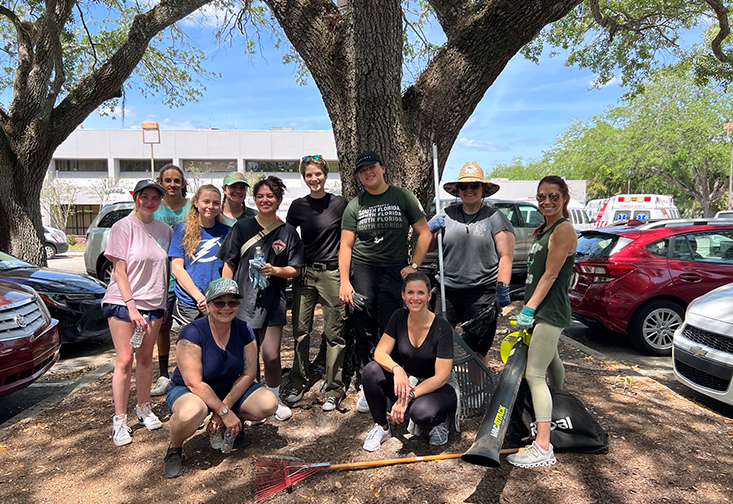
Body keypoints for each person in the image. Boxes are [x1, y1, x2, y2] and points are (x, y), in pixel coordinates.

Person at [338, 151, 432, 411]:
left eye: (372, 168)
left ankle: (394, 379)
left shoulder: (403, 197)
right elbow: (346, 246)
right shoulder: (355, 205)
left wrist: (413, 265)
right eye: (362, 170)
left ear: (383, 168)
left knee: (392, 329)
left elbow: (424, 233)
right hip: (364, 271)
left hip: (394, 271)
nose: (368, 173)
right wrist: (345, 281)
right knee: (362, 329)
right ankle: (366, 385)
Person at [162, 278, 278, 478]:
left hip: (229, 388)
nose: (226, 307)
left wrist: (224, 411)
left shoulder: (244, 329)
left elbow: (249, 373)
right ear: (208, 305)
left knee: (269, 403)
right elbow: (194, 383)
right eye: (219, 303)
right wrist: (224, 411)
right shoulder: (192, 333)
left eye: (232, 302)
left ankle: (234, 424)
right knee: (190, 412)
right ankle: (175, 448)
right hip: (191, 391)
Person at [218, 175, 304, 422]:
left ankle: (274, 398)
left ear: (278, 200)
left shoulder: (288, 232)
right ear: (254, 199)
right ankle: (254, 401)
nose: (265, 200)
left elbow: (295, 269)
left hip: (272, 301)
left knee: (271, 354)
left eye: (271, 196)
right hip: (244, 301)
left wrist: (274, 270)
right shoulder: (242, 227)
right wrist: (228, 292)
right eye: (260, 196)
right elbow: (229, 262)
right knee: (248, 356)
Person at [506, 175, 577, 469]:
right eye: (541, 197)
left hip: (550, 311)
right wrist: (526, 305)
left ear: (564, 199)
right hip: (540, 309)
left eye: (553, 197)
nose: (546, 201)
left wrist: (528, 310)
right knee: (551, 360)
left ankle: (543, 446)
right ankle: (564, 409)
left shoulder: (563, 230)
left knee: (534, 375)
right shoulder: (544, 229)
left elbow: (549, 276)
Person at [102, 179, 173, 446]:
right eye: (145, 197)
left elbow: (164, 270)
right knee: (124, 360)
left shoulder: (165, 230)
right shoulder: (123, 227)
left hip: (154, 304)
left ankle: (143, 407)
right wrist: (131, 306)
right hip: (124, 303)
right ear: (136, 197)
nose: (150, 202)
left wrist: (163, 306)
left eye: (155, 198)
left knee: (145, 359)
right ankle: (119, 420)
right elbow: (119, 270)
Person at [360, 272, 459, 451]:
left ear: (429, 296)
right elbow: (381, 352)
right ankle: (381, 427)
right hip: (410, 380)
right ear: (403, 295)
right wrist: (397, 370)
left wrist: (407, 397)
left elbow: (441, 377)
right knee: (371, 370)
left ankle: (440, 421)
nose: (415, 298)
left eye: (421, 293)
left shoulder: (441, 327)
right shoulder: (399, 317)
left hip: (439, 388)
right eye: (410, 293)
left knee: (420, 413)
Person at [428, 162, 515, 363]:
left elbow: (506, 256)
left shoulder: (494, 217)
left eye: (474, 185)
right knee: (439, 345)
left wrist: (502, 288)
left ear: (483, 189)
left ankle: (480, 392)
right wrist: (429, 229)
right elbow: (431, 247)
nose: (469, 190)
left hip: (480, 293)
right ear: (457, 190)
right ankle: (443, 389)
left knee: (476, 351)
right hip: (446, 291)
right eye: (464, 186)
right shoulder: (447, 214)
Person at [285, 155, 348, 411]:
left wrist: (346, 278)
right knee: (301, 331)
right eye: (309, 175)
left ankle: (334, 388)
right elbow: (288, 239)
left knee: (335, 334)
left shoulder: (340, 204)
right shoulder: (298, 206)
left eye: (318, 174)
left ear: (326, 175)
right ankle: (299, 381)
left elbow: (348, 242)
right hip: (305, 274)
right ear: (304, 177)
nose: (314, 179)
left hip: (333, 274)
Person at [151, 164, 191, 397]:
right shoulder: (154, 209)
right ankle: (164, 374)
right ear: (160, 182)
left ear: (183, 183)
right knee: (162, 326)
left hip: (188, 276)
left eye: (177, 180)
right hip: (162, 277)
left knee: (190, 328)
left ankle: (188, 371)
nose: (172, 185)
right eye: (168, 180)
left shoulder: (191, 209)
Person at [169, 184, 230, 326]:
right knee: (192, 344)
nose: (210, 206)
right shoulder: (181, 230)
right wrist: (200, 298)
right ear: (196, 203)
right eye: (206, 201)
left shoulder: (227, 232)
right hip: (189, 301)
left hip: (217, 300)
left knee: (216, 345)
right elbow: (177, 268)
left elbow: (229, 266)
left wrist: (217, 296)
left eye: (215, 203)